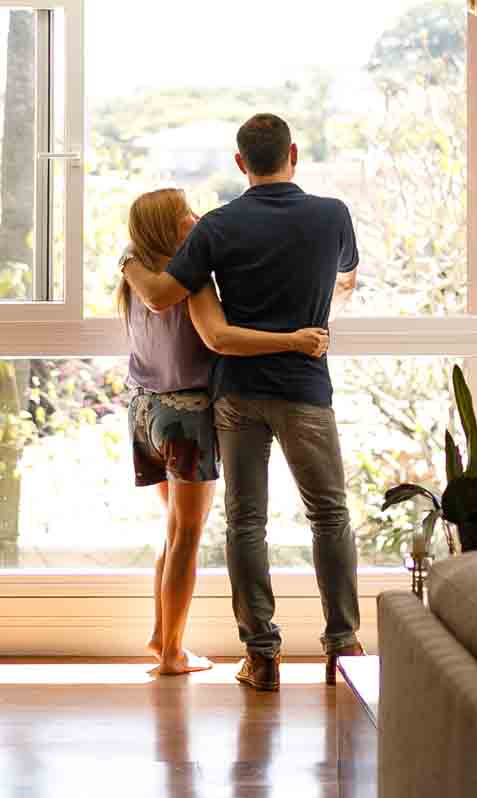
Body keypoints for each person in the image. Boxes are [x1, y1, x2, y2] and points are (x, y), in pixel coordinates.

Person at [122, 113, 360, 693]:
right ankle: (343, 647)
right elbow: (347, 278)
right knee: (328, 515)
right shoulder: (333, 215)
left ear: (239, 163)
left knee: (244, 523)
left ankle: (262, 655)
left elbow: (162, 296)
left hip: (235, 396)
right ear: (294, 153)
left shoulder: (216, 228)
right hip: (304, 390)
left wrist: (128, 260)